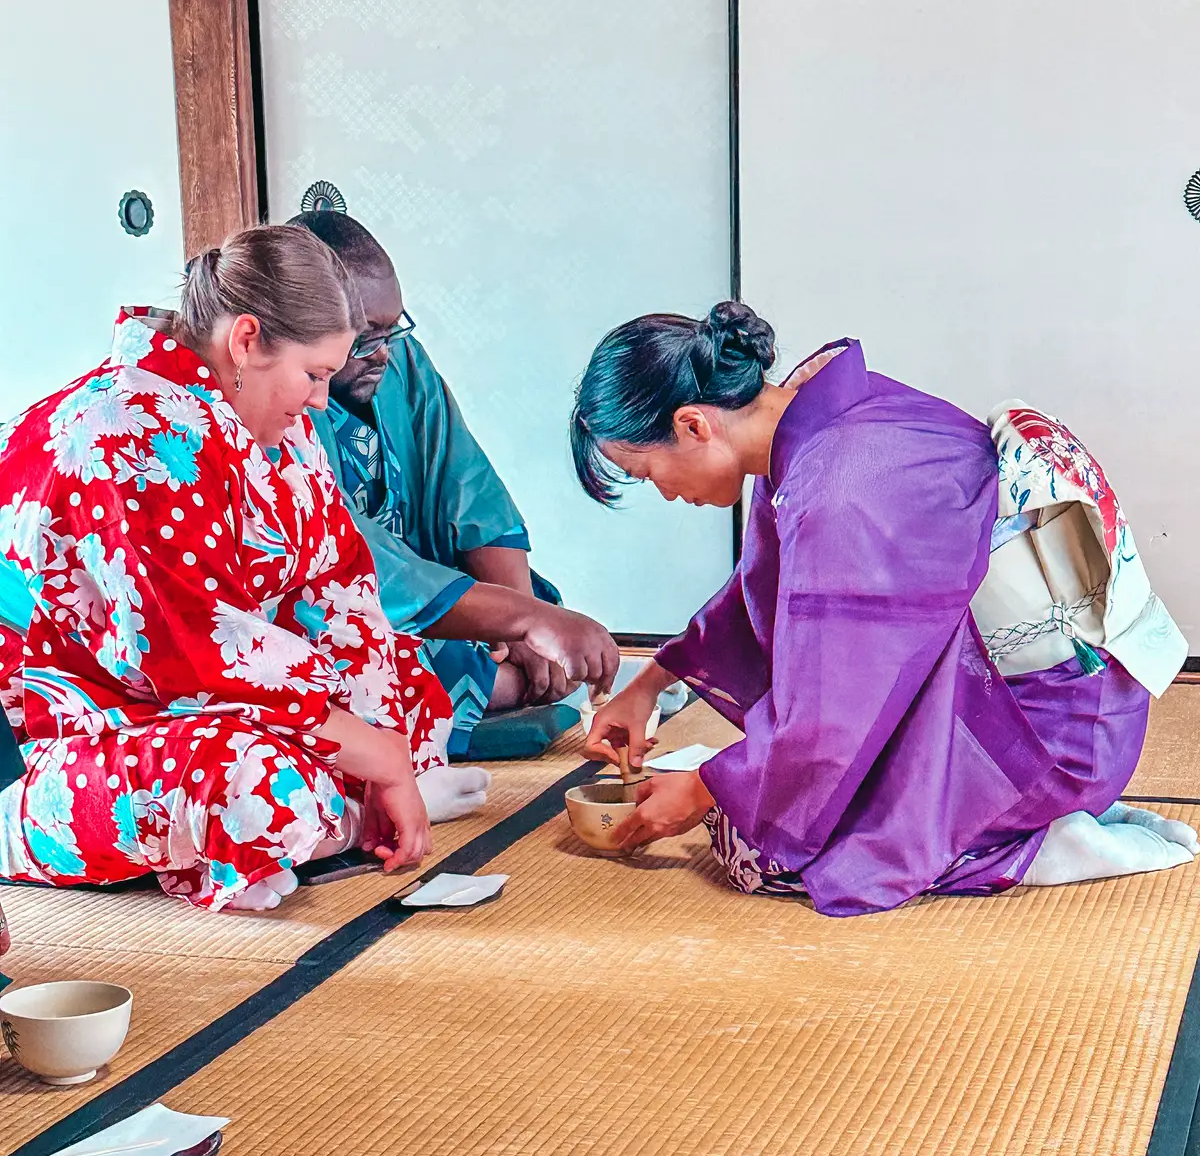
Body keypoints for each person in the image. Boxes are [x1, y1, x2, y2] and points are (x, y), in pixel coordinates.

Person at [574, 303, 1195, 916]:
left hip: (1041, 742)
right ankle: (1021, 823)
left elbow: (834, 713)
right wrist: (653, 682)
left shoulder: (844, 486)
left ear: (692, 425)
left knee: (758, 850)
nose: (661, 490)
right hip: (1055, 705)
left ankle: (1033, 847)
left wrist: (711, 788)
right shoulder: (811, 421)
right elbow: (766, 591)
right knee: (772, 799)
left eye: (644, 469)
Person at [0, 225, 494, 913]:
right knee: (250, 784)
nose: (321, 401)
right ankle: (333, 820)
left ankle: (343, 814)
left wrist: (382, 740)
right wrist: (379, 761)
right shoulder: (125, 429)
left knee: (408, 680)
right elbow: (197, 660)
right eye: (315, 375)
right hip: (56, 733)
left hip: (204, 699)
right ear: (246, 340)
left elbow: (340, 589)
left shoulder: (265, 421)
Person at [286, 210, 618, 755]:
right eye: (366, 338)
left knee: (540, 600)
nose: (385, 353)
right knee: (399, 662)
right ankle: (489, 691)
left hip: (423, 593)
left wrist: (523, 619)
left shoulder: (402, 362)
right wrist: (524, 624)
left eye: (393, 331)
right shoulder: (283, 401)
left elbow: (470, 490)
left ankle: (498, 679)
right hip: (344, 606)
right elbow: (349, 554)